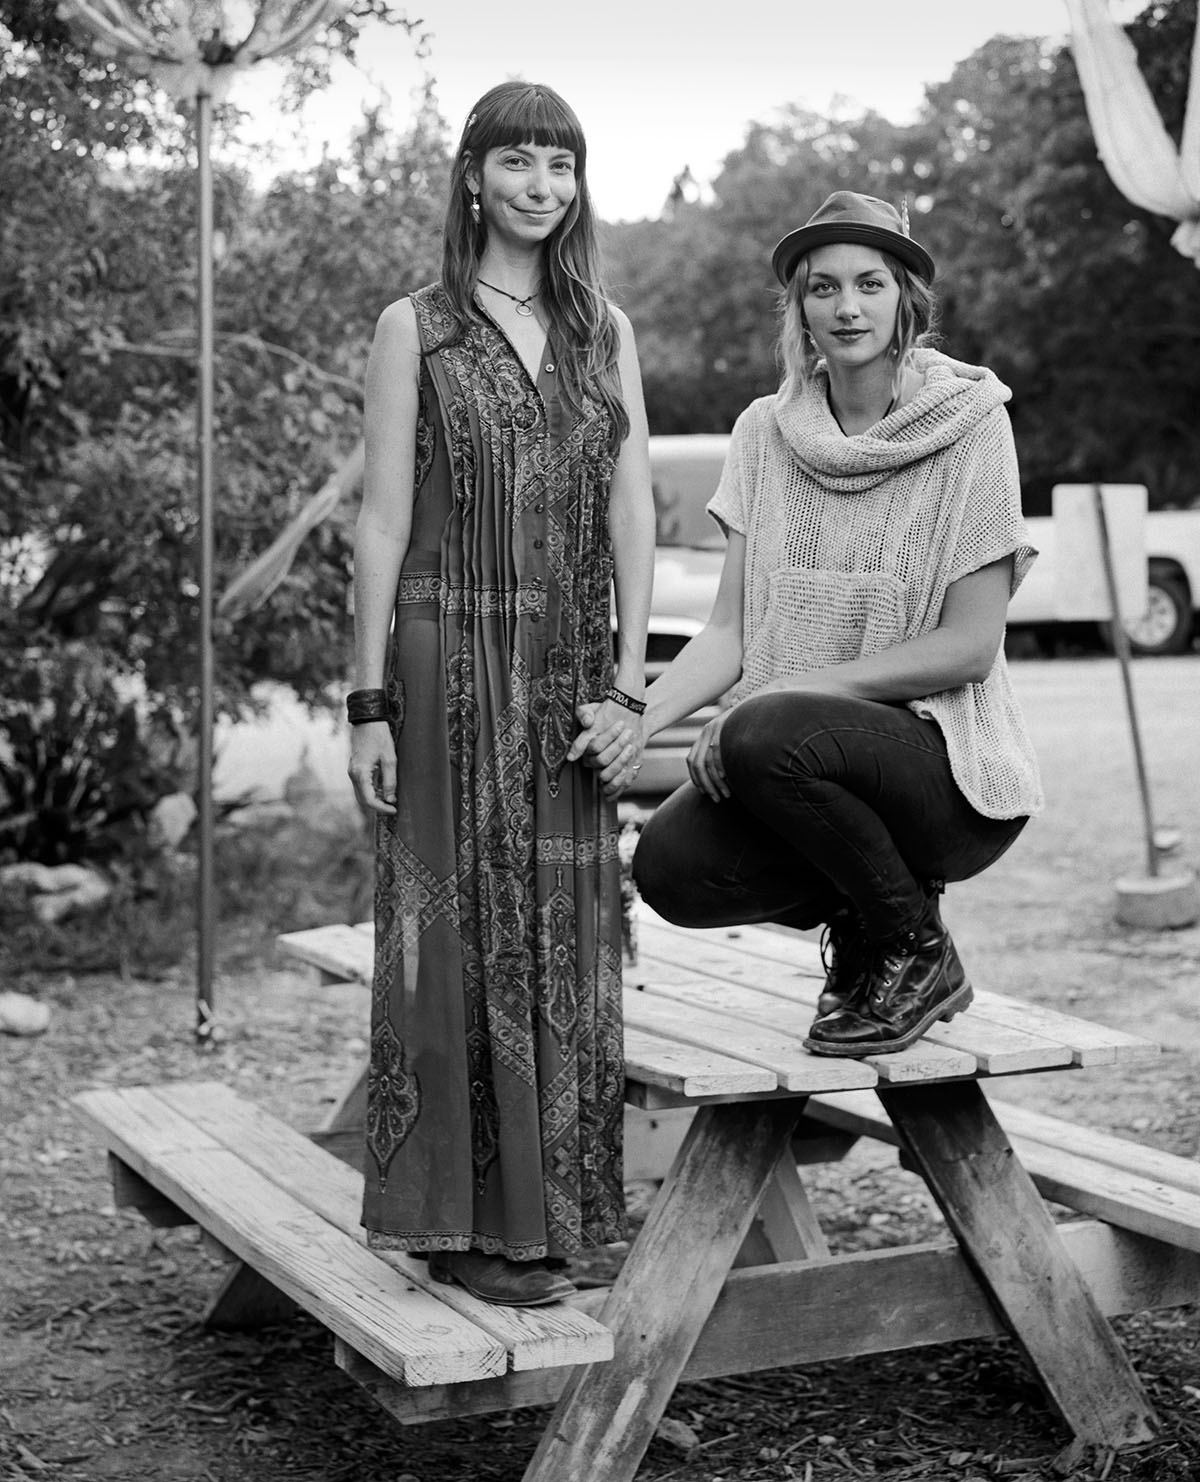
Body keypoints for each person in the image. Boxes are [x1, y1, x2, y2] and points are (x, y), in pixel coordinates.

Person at [346, 81, 655, 1306]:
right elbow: (379, 519)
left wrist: (631, 682)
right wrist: (364, 698)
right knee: (454, 934)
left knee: (570, 937)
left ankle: (557, 1215)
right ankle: (461, 1225)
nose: (543, 187)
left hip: (572, 666)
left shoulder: (603, 328)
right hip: (444, 652)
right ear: (473, 177)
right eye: (519, 162)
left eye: (562, 166)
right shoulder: (412, 325)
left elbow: (633, 504)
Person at [626, 191, 1044, 1058]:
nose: (846, 307)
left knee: (768, 728)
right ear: (799, 308)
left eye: (869, 284)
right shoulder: (763, 433)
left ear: (906, 302)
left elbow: (969, 648)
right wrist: (631, 724)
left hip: (949, 776)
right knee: (669, 868)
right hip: (801, 756)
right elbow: (728, 633)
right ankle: (869, 914)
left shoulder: (973, 426)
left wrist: (770, 703)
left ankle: (912, 946)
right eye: (822, 288)